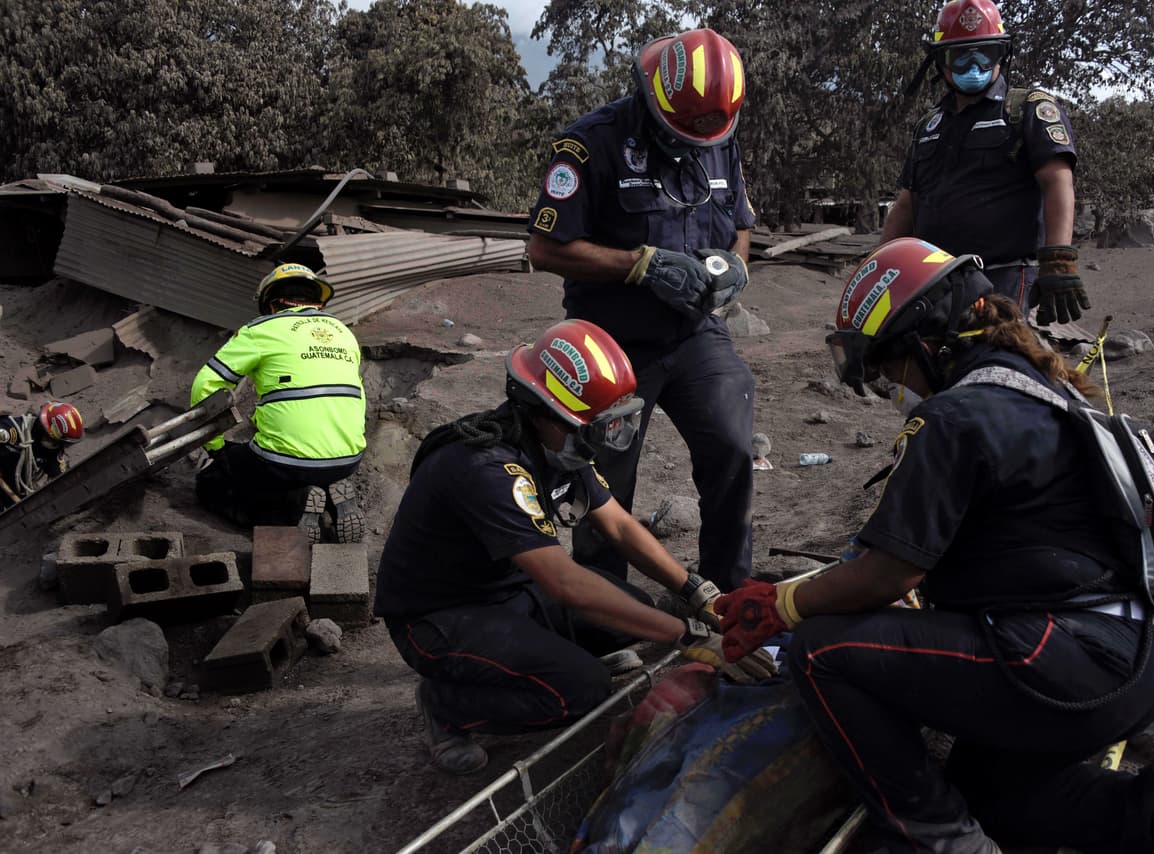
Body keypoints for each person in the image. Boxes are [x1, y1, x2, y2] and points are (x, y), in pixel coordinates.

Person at [711, 238, 1154, 853]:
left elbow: (887, 574)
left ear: (924, 342)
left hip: (1066, 665)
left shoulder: (956, 416)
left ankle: (941, 842)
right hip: (1143, 660)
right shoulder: (1052, 394)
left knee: (822, 652)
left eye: (886, 366)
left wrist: (782, 604)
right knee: (995, 797)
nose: (887, 386)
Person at [374, 319, 774, 775]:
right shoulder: (485, 468)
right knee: (581, 691)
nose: (606, 439)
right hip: (438, 617)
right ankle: (446, 705)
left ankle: (545, 659)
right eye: (599, 426)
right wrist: (685, 636)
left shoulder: (559, 444)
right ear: (546, 410)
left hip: (504, 591)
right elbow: (565, 583)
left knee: (631, 611)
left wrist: (696, 592)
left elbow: (620, 527)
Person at [525, 28, 757, 593]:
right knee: (605, 484)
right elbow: (544, 247)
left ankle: (727, 594)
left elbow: (742, 224)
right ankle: (608, 622)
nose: (693, 142)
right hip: (611, 344)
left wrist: (732, 270)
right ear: (651, 97)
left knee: (732, 446)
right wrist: (639, 265)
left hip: (695, 334)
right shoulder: (590, 145)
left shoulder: (716, 133)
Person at [881, 0, 1089, 326]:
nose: (972, 66)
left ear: (1001, 55)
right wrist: (877, 270)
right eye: (959, 56)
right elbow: (907, 205)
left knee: (994, 364)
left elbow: (1057, 181)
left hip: (1005, 277)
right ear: (940, 62)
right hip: (933, 281)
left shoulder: (1028, 110)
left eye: (984, 54)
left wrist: (1058, 259)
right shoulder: (928, 127)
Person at [190, 263, 366, 542]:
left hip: (283, 462)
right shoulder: (343, 332)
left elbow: (206, 384)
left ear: (271, 305)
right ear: (316, 301)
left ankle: (293, 508)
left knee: (213, 481)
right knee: (289, 462)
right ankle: (329, 498)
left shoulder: (260, 330)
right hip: (348, 459)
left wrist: (215, 448)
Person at [0, 401, 83, 509]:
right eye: (56, 442)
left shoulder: (52, 450)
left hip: (14, 491)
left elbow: (59, 479)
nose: (59, 447)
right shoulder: (10, 431)